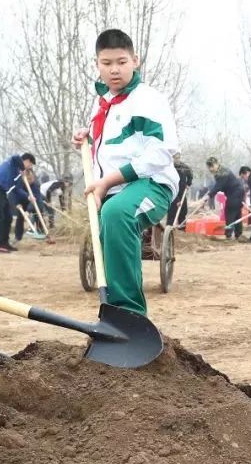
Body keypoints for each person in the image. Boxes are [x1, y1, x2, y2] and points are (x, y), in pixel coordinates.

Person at [70, 29, 178, 316]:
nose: (114, 70)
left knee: (117, 214)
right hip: (115, 189)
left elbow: (160, 152)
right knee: (110, 222)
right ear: (97, 64)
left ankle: (129, 316)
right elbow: (113, 148)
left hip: (151, 184)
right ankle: (114, 317)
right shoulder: (102, 103)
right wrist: (88, 139)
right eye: (106, 63)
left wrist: (107, 181)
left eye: (121, 62)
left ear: (135, 60)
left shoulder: (148, 100)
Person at [0, 153, 36, 253]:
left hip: (2, 191)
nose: (30, 167)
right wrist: (22, 168)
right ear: (27, 161)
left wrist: (28, 197)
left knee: (8, 216)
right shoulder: (13, 163)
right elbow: (15, 156)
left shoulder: (17, 174)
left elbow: (17, 189)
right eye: (31, 164)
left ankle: (5, 243)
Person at [206, 157, 246, 240]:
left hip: (235, 192)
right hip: (237, 192)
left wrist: (209, 196)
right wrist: (210, 194)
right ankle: (238, 234)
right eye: (209, 167)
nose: (211, 168)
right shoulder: (219, 171)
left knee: (229, 211)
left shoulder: (222, 172)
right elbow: (219, 186)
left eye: (212, 166)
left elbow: (218, 186)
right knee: (236, 212)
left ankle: (229, 235)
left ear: (217, 164)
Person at [167, 154, 193, 229]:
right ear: (172, 158)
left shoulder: (184, 167)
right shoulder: (169, 168)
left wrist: (188, 183)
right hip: (173, 193)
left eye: (178, 158)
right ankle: (169, 228)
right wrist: (176, 200)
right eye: (175, 158)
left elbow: (190, 175)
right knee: (172, 212)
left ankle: (182, 227)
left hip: (182, 192)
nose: (177, 160)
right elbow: (169, 185)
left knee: (183, 210)